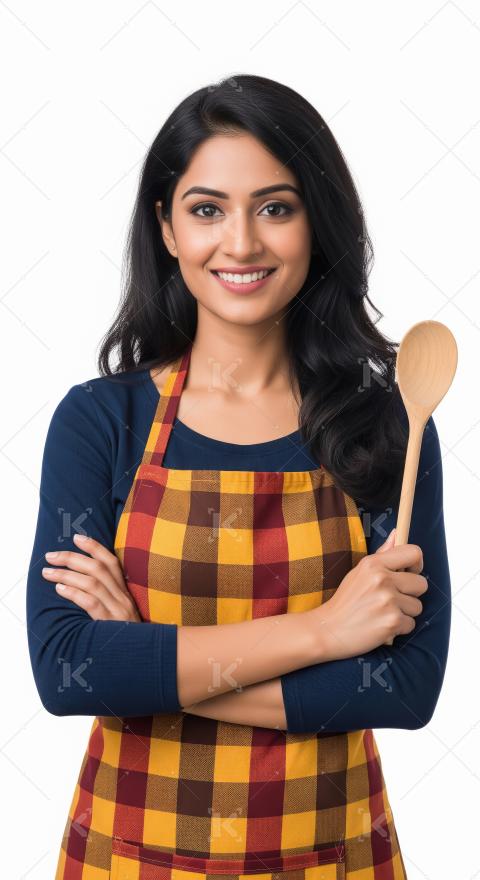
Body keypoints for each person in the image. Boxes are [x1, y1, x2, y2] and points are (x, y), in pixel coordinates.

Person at [27, 74, 451, 880]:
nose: (243, 243)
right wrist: (326, 633)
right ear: (166, 227)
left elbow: (405, 687)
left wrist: (146, 661)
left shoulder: (390, 427)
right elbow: (66, 670)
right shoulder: (101, 421)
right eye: (207, 209)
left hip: (332, 859)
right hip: (130, 860)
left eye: (276, 208)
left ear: (317, 223)